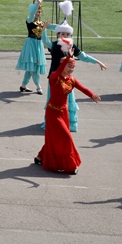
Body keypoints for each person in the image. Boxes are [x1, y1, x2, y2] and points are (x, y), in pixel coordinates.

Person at [34, 45, 100, 174]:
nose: (71, 70)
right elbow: (58, 71)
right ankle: (70, 165)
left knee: (55, 137)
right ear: (62, 66)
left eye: (73, 67)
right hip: (53, 112)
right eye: (69, 66)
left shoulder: (71, 80)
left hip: (63, 112)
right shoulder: (54, 77)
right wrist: (69, 56)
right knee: (66, 136)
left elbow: (83, 88)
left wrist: (93, 95)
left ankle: (40, 157)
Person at [41, 8, 107, 132]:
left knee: (68, 100)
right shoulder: (54, 45)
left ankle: (68, 122)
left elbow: (83, 56)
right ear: (58, 35)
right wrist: (44, 29)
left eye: (67, 34)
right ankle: (52, 122)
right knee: (53, 100)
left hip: (66, 79)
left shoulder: (72, 46)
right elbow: (45, 41)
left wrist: (98, 62)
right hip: (55, 79)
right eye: (62, 34)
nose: (65, 36)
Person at [16, 0, 47, 95]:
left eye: (39, 11)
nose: (38, 13)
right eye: (37, 11)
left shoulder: (42, 23)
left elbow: (52, 28)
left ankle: (23, 85)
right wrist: (37, 4)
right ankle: (38, 86)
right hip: (30, 45)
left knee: (31, 67)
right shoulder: (29, 20)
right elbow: (31, 14)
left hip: (38, 45)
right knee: (33, 68)